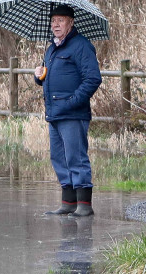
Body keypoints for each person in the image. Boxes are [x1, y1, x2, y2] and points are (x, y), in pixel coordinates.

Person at [34, 4, 102, 217]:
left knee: (75, 157)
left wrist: (72, 101)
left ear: (71, 23)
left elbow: (93, 79)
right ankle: (68, 203)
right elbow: (51, 78)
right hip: (54, 113)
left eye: (61, 20)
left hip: (73, 113)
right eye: (53, 20)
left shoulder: (81, 46)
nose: (55, 24)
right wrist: (39, 76)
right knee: (59, 158)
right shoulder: (52, 48)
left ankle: (84, 205)